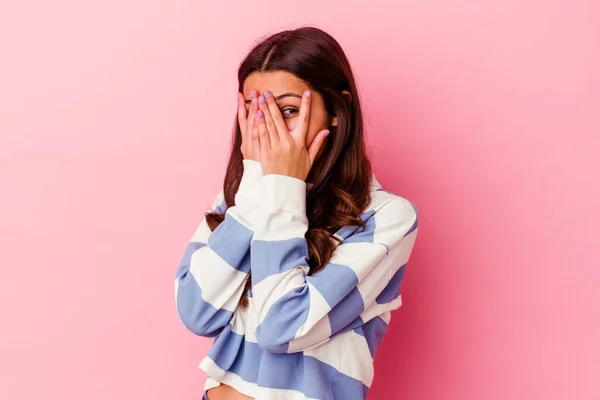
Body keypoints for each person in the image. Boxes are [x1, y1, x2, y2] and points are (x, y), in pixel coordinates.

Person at [175, 26, 419, 400]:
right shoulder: (241, 199)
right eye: (256, 111)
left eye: (288, 110)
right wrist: (257, 189)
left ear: (337, 111)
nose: (270, 129)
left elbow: (280, 328)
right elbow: (197, 313)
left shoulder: (385, 219)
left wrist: (283, 189)